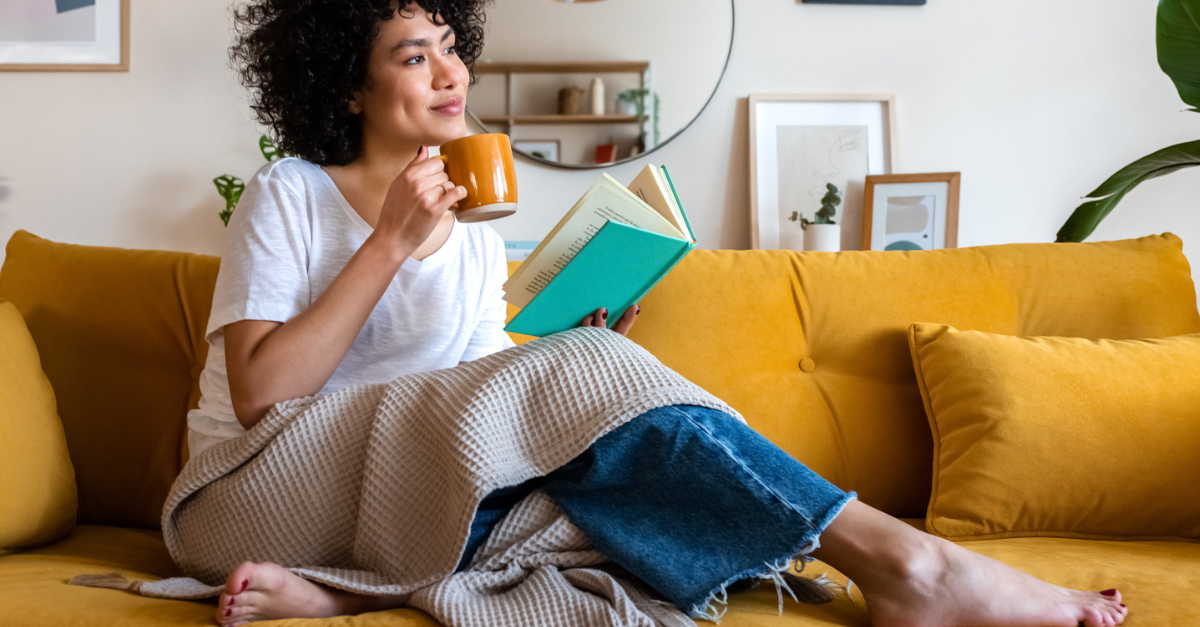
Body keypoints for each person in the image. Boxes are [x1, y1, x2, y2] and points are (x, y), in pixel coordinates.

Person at [185, 1, 1130, 626]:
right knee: (589, 437)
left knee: (599, 479)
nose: (450, 73)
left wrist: (573, 359)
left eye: (451, 47)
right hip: (250, 493)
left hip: (392, 496)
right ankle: (911, 564)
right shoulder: (293, 193)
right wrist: (387, 242)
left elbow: (467, 402)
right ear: (347, 87)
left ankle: (340, 595)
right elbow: (264, 396)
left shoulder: (471, 230)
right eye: (413, 55)